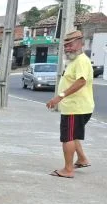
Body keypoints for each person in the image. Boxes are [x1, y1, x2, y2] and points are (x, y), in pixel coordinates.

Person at [45, 30, 94, 178]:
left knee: (68, 137)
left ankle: (68, 170)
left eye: (70, 45)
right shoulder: (75, 61)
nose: (67, 48)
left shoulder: (81, 61)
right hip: (76, 107)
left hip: (76, 107)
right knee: (73, 135)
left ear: (81, 44)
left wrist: (59, 97)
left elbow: (81, 81)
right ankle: (82, 159)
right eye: (65, 46)